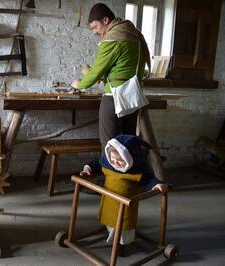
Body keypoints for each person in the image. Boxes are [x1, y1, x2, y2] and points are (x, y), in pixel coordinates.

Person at [71, 3, 151, 150]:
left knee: (110, 145)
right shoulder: (132, 33)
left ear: (105, 20)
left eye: (95, 27)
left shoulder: (113, 38)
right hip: (133, 95)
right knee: (128, 144)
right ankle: (128, 173)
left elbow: (96, 73)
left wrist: (78, 84)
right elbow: (122, 70)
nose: (95, 32)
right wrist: (97, 74)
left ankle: (109, 173)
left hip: (114, 96)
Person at [79, 134, 168, 256]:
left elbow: (148, 179)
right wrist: (88, 168)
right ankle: (111, 235)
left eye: (120, 161)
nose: (115, 162)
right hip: (110, 201)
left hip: (125, 206)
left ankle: (121, 245)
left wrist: (156, 184)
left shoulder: (136, 171)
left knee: (123, 229)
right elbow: (98, 164)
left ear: (129, 158)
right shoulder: (109, 164)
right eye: (112, 159)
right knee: (110, 222)